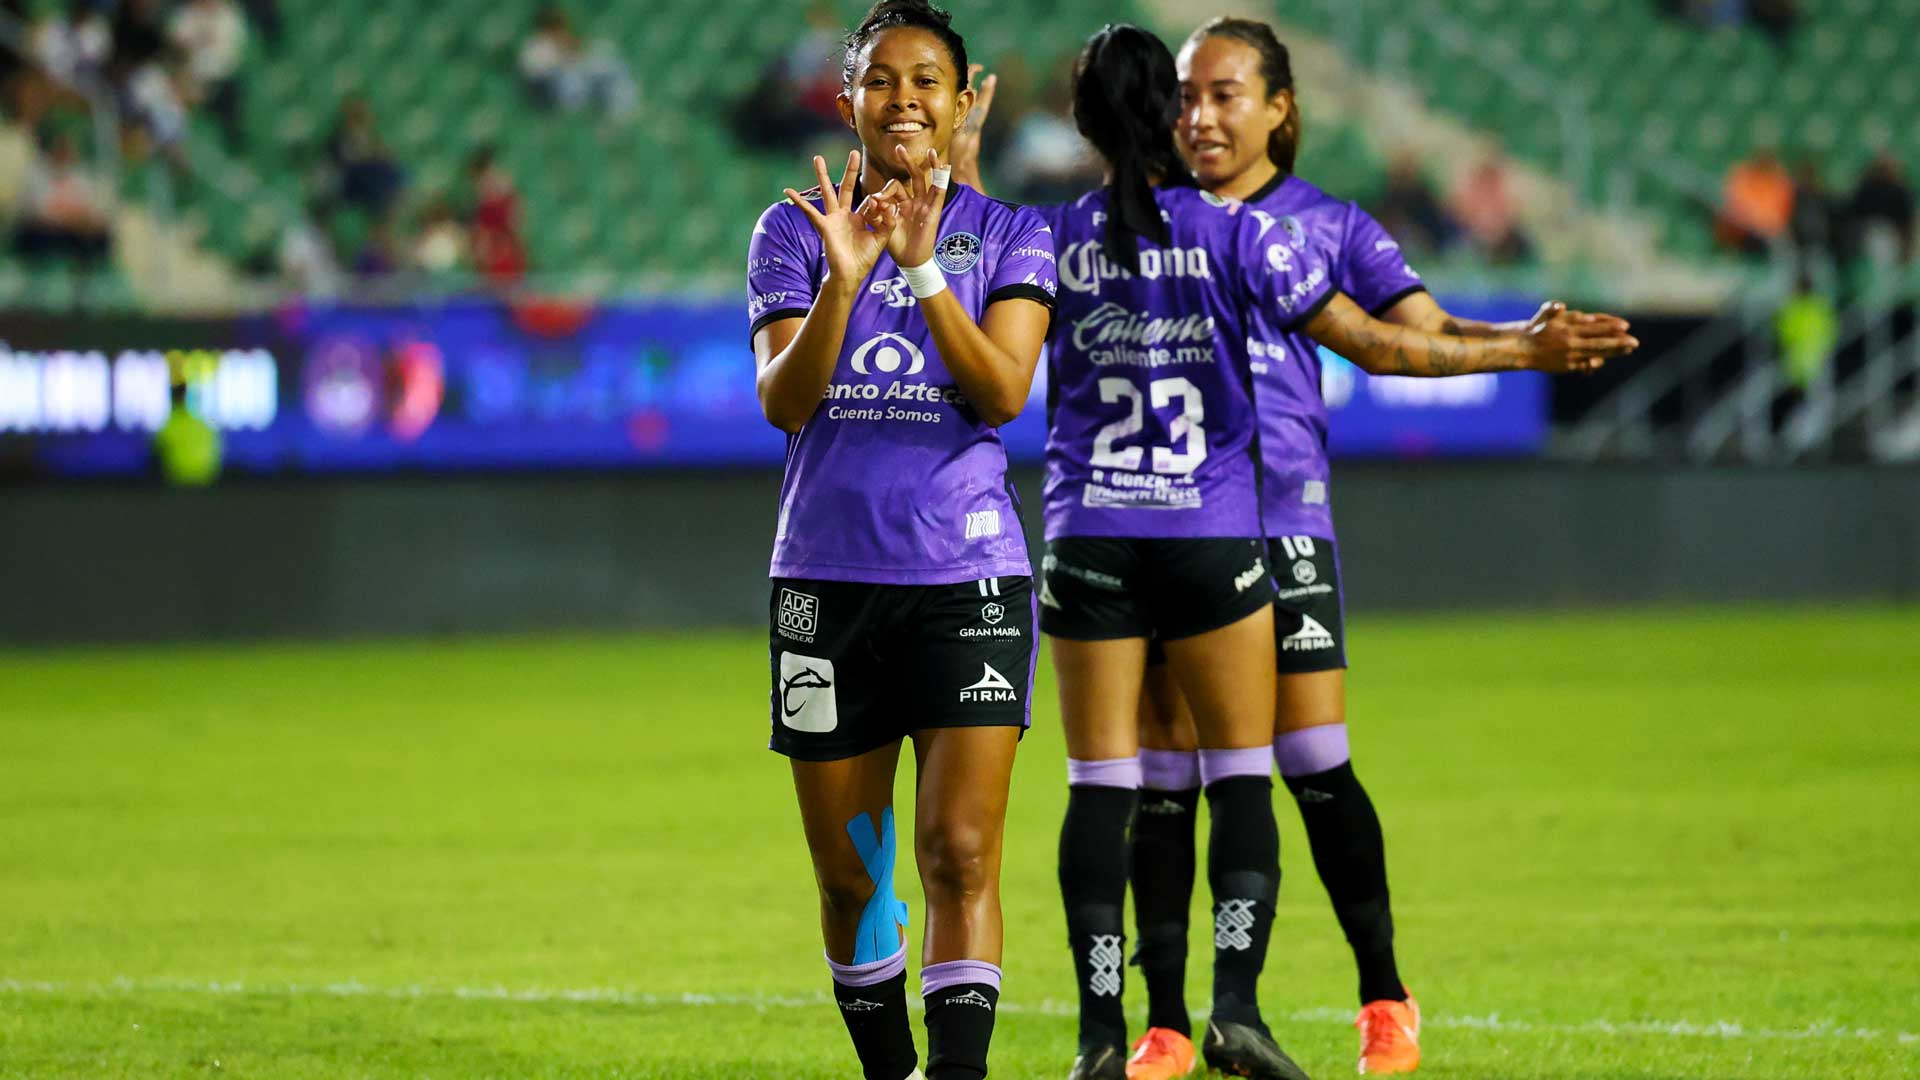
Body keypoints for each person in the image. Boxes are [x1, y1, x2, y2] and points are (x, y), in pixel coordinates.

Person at [953, 17, 1637, 1078]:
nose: (1205, 113)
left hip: (1255, 523)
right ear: (1161, 110)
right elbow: (1376, 347)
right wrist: (1523, 350)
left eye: (1228, 94)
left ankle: (1375, 991)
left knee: (1299, 763)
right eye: (1189, 94)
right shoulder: (1227, 235)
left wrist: (1512, 342)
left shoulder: (1317, 223)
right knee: (1182, 776)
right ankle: (1181, 1020)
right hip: (1207, 524)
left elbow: (1421, 326)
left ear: (1281, 109)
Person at [745, 3, 1056, 1079]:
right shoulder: (791, 231)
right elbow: (787, 402)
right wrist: (847, 275)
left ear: (963, 100)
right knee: (851, 879)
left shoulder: (1015, 234)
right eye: (883, 79)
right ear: (848, 99)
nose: (906, 98)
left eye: (929, 80)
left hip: (966, 576)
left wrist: (923, 271)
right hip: (824, 584)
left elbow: (1003, 391)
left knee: (959, 852)